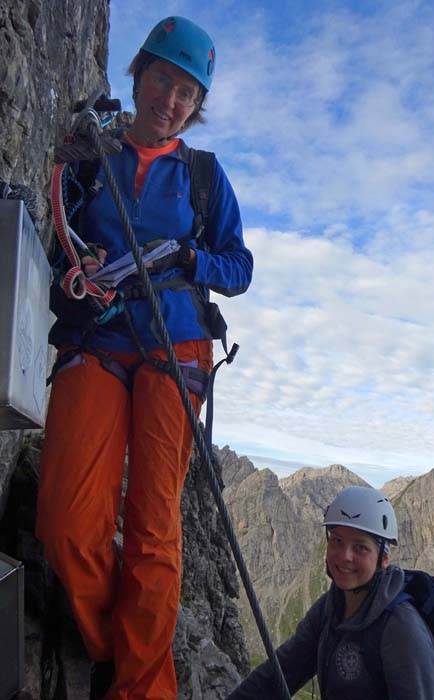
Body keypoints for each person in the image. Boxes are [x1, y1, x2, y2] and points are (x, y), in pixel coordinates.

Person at [36, 15, 253, 700]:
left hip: (174, 343)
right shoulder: (90, 160)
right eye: (162, 79)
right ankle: (109, 644)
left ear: (196, 107)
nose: (170, 100)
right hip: (96, 339)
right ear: (138, 76)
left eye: (187, 92)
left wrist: (193, 256)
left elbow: (239, 268)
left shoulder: (204, 177)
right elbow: (56, 248)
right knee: (68, 522)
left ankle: (140, 687)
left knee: (156, 528)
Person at [226, 486, 434, 700]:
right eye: (337, 540)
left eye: (360, 547)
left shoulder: (402, 629)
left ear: (383, 559)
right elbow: (281, 672)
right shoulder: (331, 607)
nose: (345, 556)